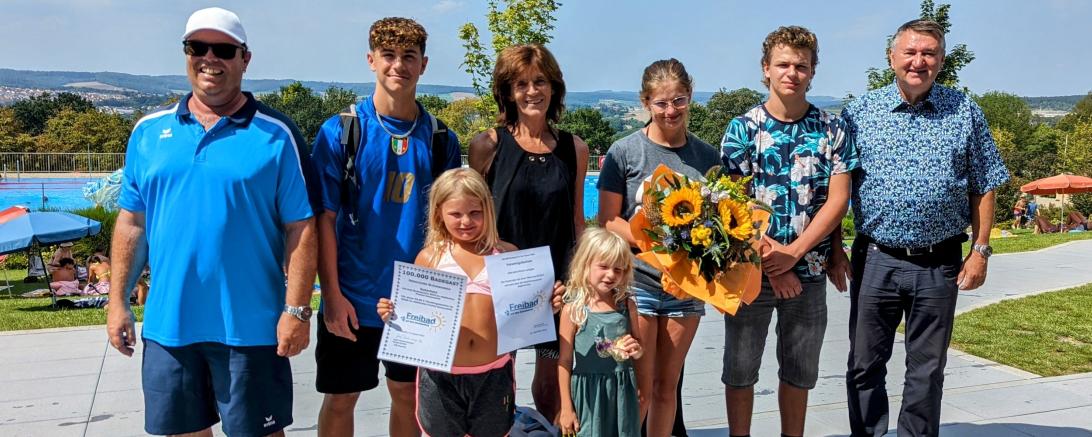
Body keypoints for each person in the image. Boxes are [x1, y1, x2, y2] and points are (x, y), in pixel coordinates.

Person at [105, 7, 318, 437]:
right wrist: (117, 301)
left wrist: (297, 310)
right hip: (170, 327)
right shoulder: (148, 132)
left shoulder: (277, 135)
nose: (209, 58)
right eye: (197, 47)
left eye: (223, 49)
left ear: (245, 58)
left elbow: (302, 227)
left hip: (251, 327)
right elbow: (132, 224)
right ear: (185, 54)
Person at [841, 19, 1008, 437]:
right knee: (864, 364)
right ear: (891, 57)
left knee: (927, 370)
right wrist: (831, 248)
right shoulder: (859, 114)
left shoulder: (964, 110)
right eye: (911, 52)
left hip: (940, 262)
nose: (919, 62)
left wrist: (981, 251)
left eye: (929, 54)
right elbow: (835, 186)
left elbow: (984, 183)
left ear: (941, 60)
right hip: (875, 259)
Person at [309, 17, 463, 437]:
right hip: (353, 297)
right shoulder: (342, 131)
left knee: (409, 398)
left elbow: (450, 226)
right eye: (389, 56)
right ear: (371, 60)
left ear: (424, 64)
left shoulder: (439, 138)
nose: (399, 65)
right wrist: (332, 295)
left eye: (409, 57)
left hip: (416, 296)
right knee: (341, 400)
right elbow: (322, 220)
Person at [719, 26, 858, 437]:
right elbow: (731, 204)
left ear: (813, 72)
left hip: (810, 271)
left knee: (800, 371)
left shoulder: (832, 129)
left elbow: (837, 201)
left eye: (802, 65)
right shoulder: (742, 129)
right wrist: (775, 266)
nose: (792, 73)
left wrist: (797, 254)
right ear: (765, 70)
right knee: (740, 369)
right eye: (783, 64)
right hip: (750, 270)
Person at [597, 58, 721, 436]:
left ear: (690, 97)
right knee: (640, 389)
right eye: (661, 103)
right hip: (640, 285)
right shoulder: (624, 152)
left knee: (667, 389)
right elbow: (608, 220)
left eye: (679, 101)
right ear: (646, 102)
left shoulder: (708, 157)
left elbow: (718, 225)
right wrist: (659, 245)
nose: (671, 111)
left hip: (686, 290)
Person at [468, 43, 589, 421]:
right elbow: (473, 220)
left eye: (540, 81)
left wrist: (577, 279)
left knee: (553, 383)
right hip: (500, 284)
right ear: (506, 91)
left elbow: (576, 221)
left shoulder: (575, 148)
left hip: (555, 288)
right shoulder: (487, 145)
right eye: (521, 83)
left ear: (554, 87)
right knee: (494, 381)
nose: (532, 91)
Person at [377, 168, 522, 437]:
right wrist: (393, 314)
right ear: (438, 214)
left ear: (487, 212)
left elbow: (524, 313)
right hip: (440, 375)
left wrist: (547, 302)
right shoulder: (429, 258)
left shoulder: (505, 254)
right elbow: (413, 314)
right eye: (456, 214)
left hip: (493, 372)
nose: (466, 221)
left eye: (475, 213)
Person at [557, 228, 644, 437]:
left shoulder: (626, 305)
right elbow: (565, 361)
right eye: (603, 267)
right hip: (588, 393)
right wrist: (566, 408)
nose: (611, 275)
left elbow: (639, 349)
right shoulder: (574, 309)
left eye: (618, 269)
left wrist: (636, 350)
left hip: (622, 392)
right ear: (585, 264)